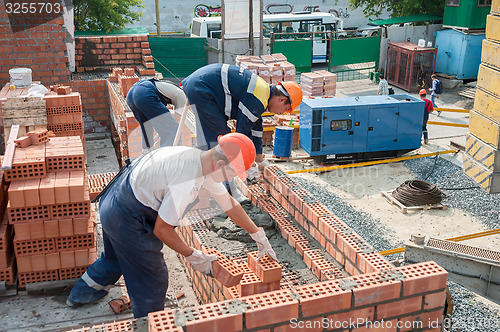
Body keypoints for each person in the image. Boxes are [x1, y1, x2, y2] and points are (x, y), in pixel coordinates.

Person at [66, 133, 277, 318]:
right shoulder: (186, 181)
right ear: (221, 165)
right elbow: (162, 229)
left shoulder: (200, 161)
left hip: (114, 200)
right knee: (152, 277)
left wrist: (257, 234)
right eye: (233, 173)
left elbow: (229, 205)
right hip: (126, 217)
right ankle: (150, 323)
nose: (231, 178)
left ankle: (80, 295)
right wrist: (194, 255)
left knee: (116, 259)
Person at [181, 63, 303, 183]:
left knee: (223, 141)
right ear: (282, 99)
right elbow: (241, 135)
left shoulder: (263, 93)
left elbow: (256, 129)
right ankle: (222, 187)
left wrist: (259, 159)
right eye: (286, 109)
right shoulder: (257, 100)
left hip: (202, 84)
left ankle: (210, 177)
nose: (282, 113)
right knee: (222, 141)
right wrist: (247, 166)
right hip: (201, 89)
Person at [126, 79, 186, 150]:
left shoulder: (170, 86)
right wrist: (162, 134)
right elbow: (175, 122)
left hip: (131, 94)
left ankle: (147, 154)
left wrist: (161, 133)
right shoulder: (182, 95)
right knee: (173, 130)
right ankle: (165, 158)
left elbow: (163, 123)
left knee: (146, 126)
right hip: (146, 94)